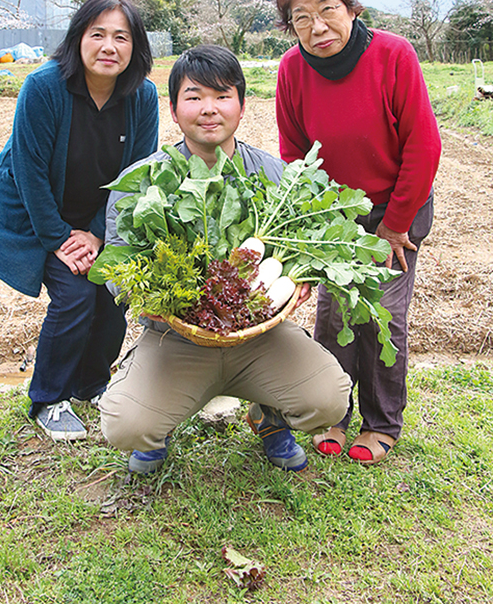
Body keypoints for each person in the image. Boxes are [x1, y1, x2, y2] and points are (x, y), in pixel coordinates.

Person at [98, 45, 351, 475]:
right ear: (174, 110)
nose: (209, 109)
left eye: (222, 95)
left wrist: (302, 278)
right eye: (194, 97)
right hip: (174, 339)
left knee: (328, 398)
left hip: (262, 337)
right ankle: (156, 427)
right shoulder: (141, 180)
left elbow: (305, 249)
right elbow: (115, 271)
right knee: (127, 425)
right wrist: (156, 298)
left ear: (242, 105)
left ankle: (268, 416)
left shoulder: (274, 176)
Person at [274, 0, 441, 464]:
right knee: (336, 313)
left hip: (397, 208)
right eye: (301, 17)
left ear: (350, 9)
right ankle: (334, 415)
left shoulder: (393, 54)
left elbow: (423, 144)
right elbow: (292, 152)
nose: (317, 27)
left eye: (328, 10)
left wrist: (395, 224)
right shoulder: (291, 70)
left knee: (383, 315)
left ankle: (382, 422)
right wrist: (317, 220)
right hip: (334, 213)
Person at [0, 0, 159, 442]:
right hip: (38, 211)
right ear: (77, 39)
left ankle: (91, 384)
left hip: (100, 216)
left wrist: (100, 233)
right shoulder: (44, 88)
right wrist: (61, 238)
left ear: (135, 47)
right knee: (76, 294)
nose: (108, 46)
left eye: (121, 37)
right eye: (97, 34)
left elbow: (137, 175)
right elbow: (29, 170)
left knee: (114, 289)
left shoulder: (142, 96)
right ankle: (48, 398)